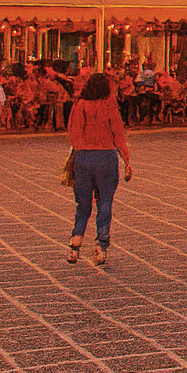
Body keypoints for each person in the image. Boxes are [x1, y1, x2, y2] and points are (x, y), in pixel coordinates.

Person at [66, 72, 133, 265]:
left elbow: (74, 133)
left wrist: (79, 152)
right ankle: (101, 244)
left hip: (83, 157)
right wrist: (127, 160)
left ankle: (75, 241)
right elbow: (118, 134)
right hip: (105, 157)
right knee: (105, 202)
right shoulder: (109, 106)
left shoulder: (80, 105)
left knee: (83, 204)